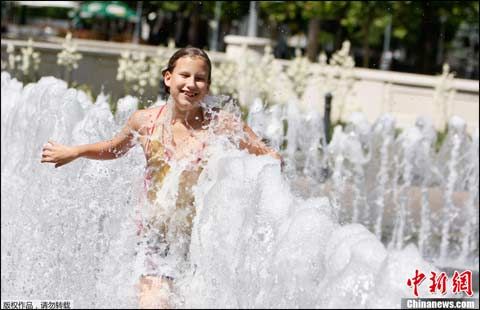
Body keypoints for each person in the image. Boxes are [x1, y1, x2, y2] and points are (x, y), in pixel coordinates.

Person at [41, 47, 281, 309]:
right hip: (155, 235)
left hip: (202, 239)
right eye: (184, 75)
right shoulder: (144, 122)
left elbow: (268, 156)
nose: (191, 84)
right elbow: (114, 148)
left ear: (208, 86)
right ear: (168, 78)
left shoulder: (222, 124)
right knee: (155, 304)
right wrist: (76, 151)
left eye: (199, 79)